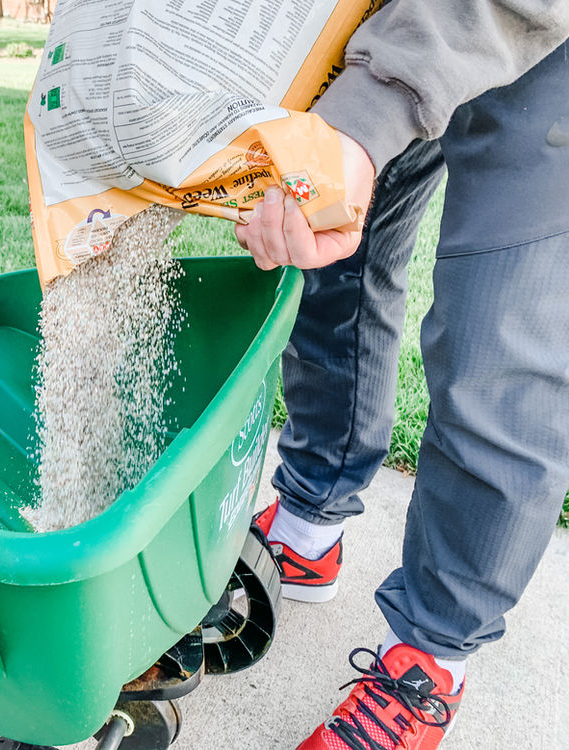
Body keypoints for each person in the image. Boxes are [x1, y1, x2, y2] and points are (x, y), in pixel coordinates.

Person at [234, 2, 569, 748]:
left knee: (498, 344)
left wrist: (371, 110)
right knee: (332, 261)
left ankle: (431, 658)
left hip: (549, 37)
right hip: (381, 22)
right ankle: (307, 527)